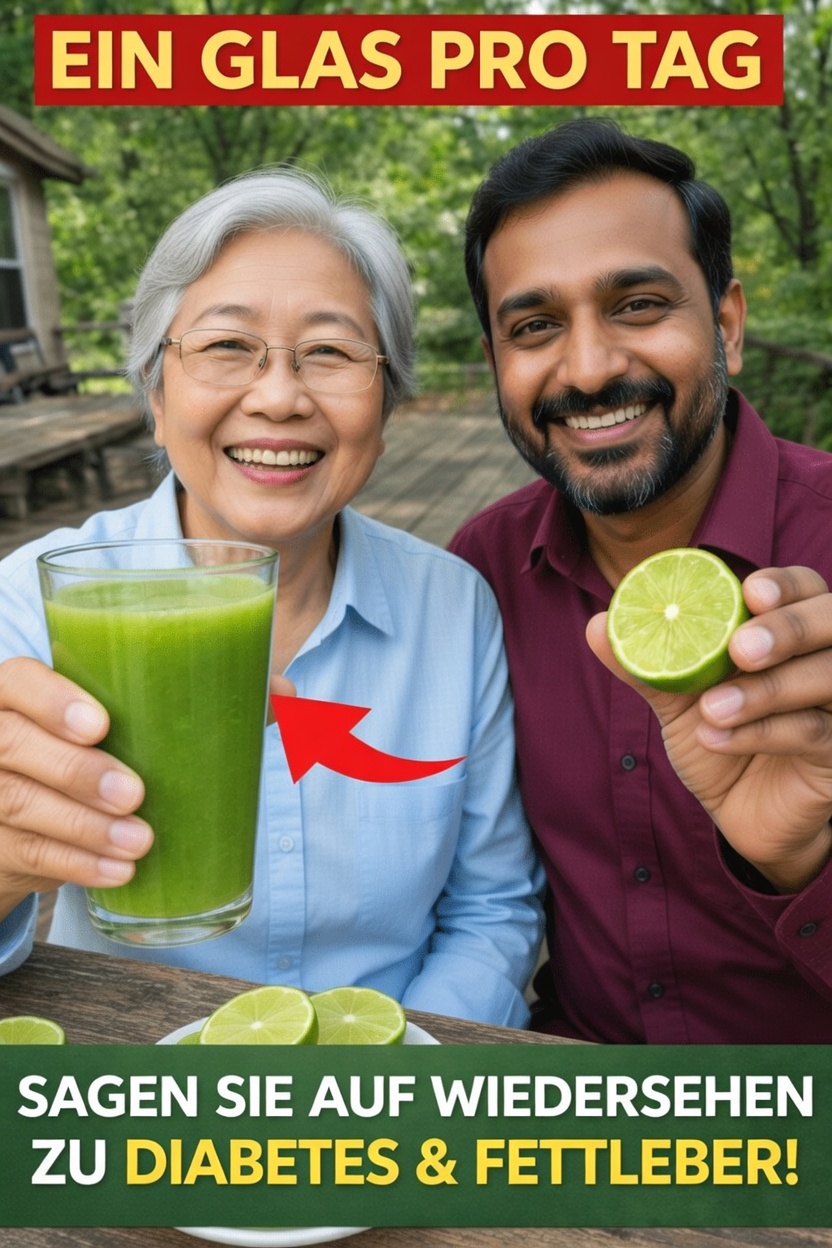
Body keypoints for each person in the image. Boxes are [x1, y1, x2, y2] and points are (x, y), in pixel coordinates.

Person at [0, 169, 544, 1028]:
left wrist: (401, 1080)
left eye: (329, 353)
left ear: (387, 400)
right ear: (153, 390)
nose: (281, 396)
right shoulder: (36, 602)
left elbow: (490, 911)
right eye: (225, 346)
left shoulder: (454, 608)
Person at [449, 118, 832, 1043]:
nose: (589, 369)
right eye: (535, 327)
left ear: (727, 325)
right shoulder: (478, 576)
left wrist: (799, 866)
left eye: (638, 305)